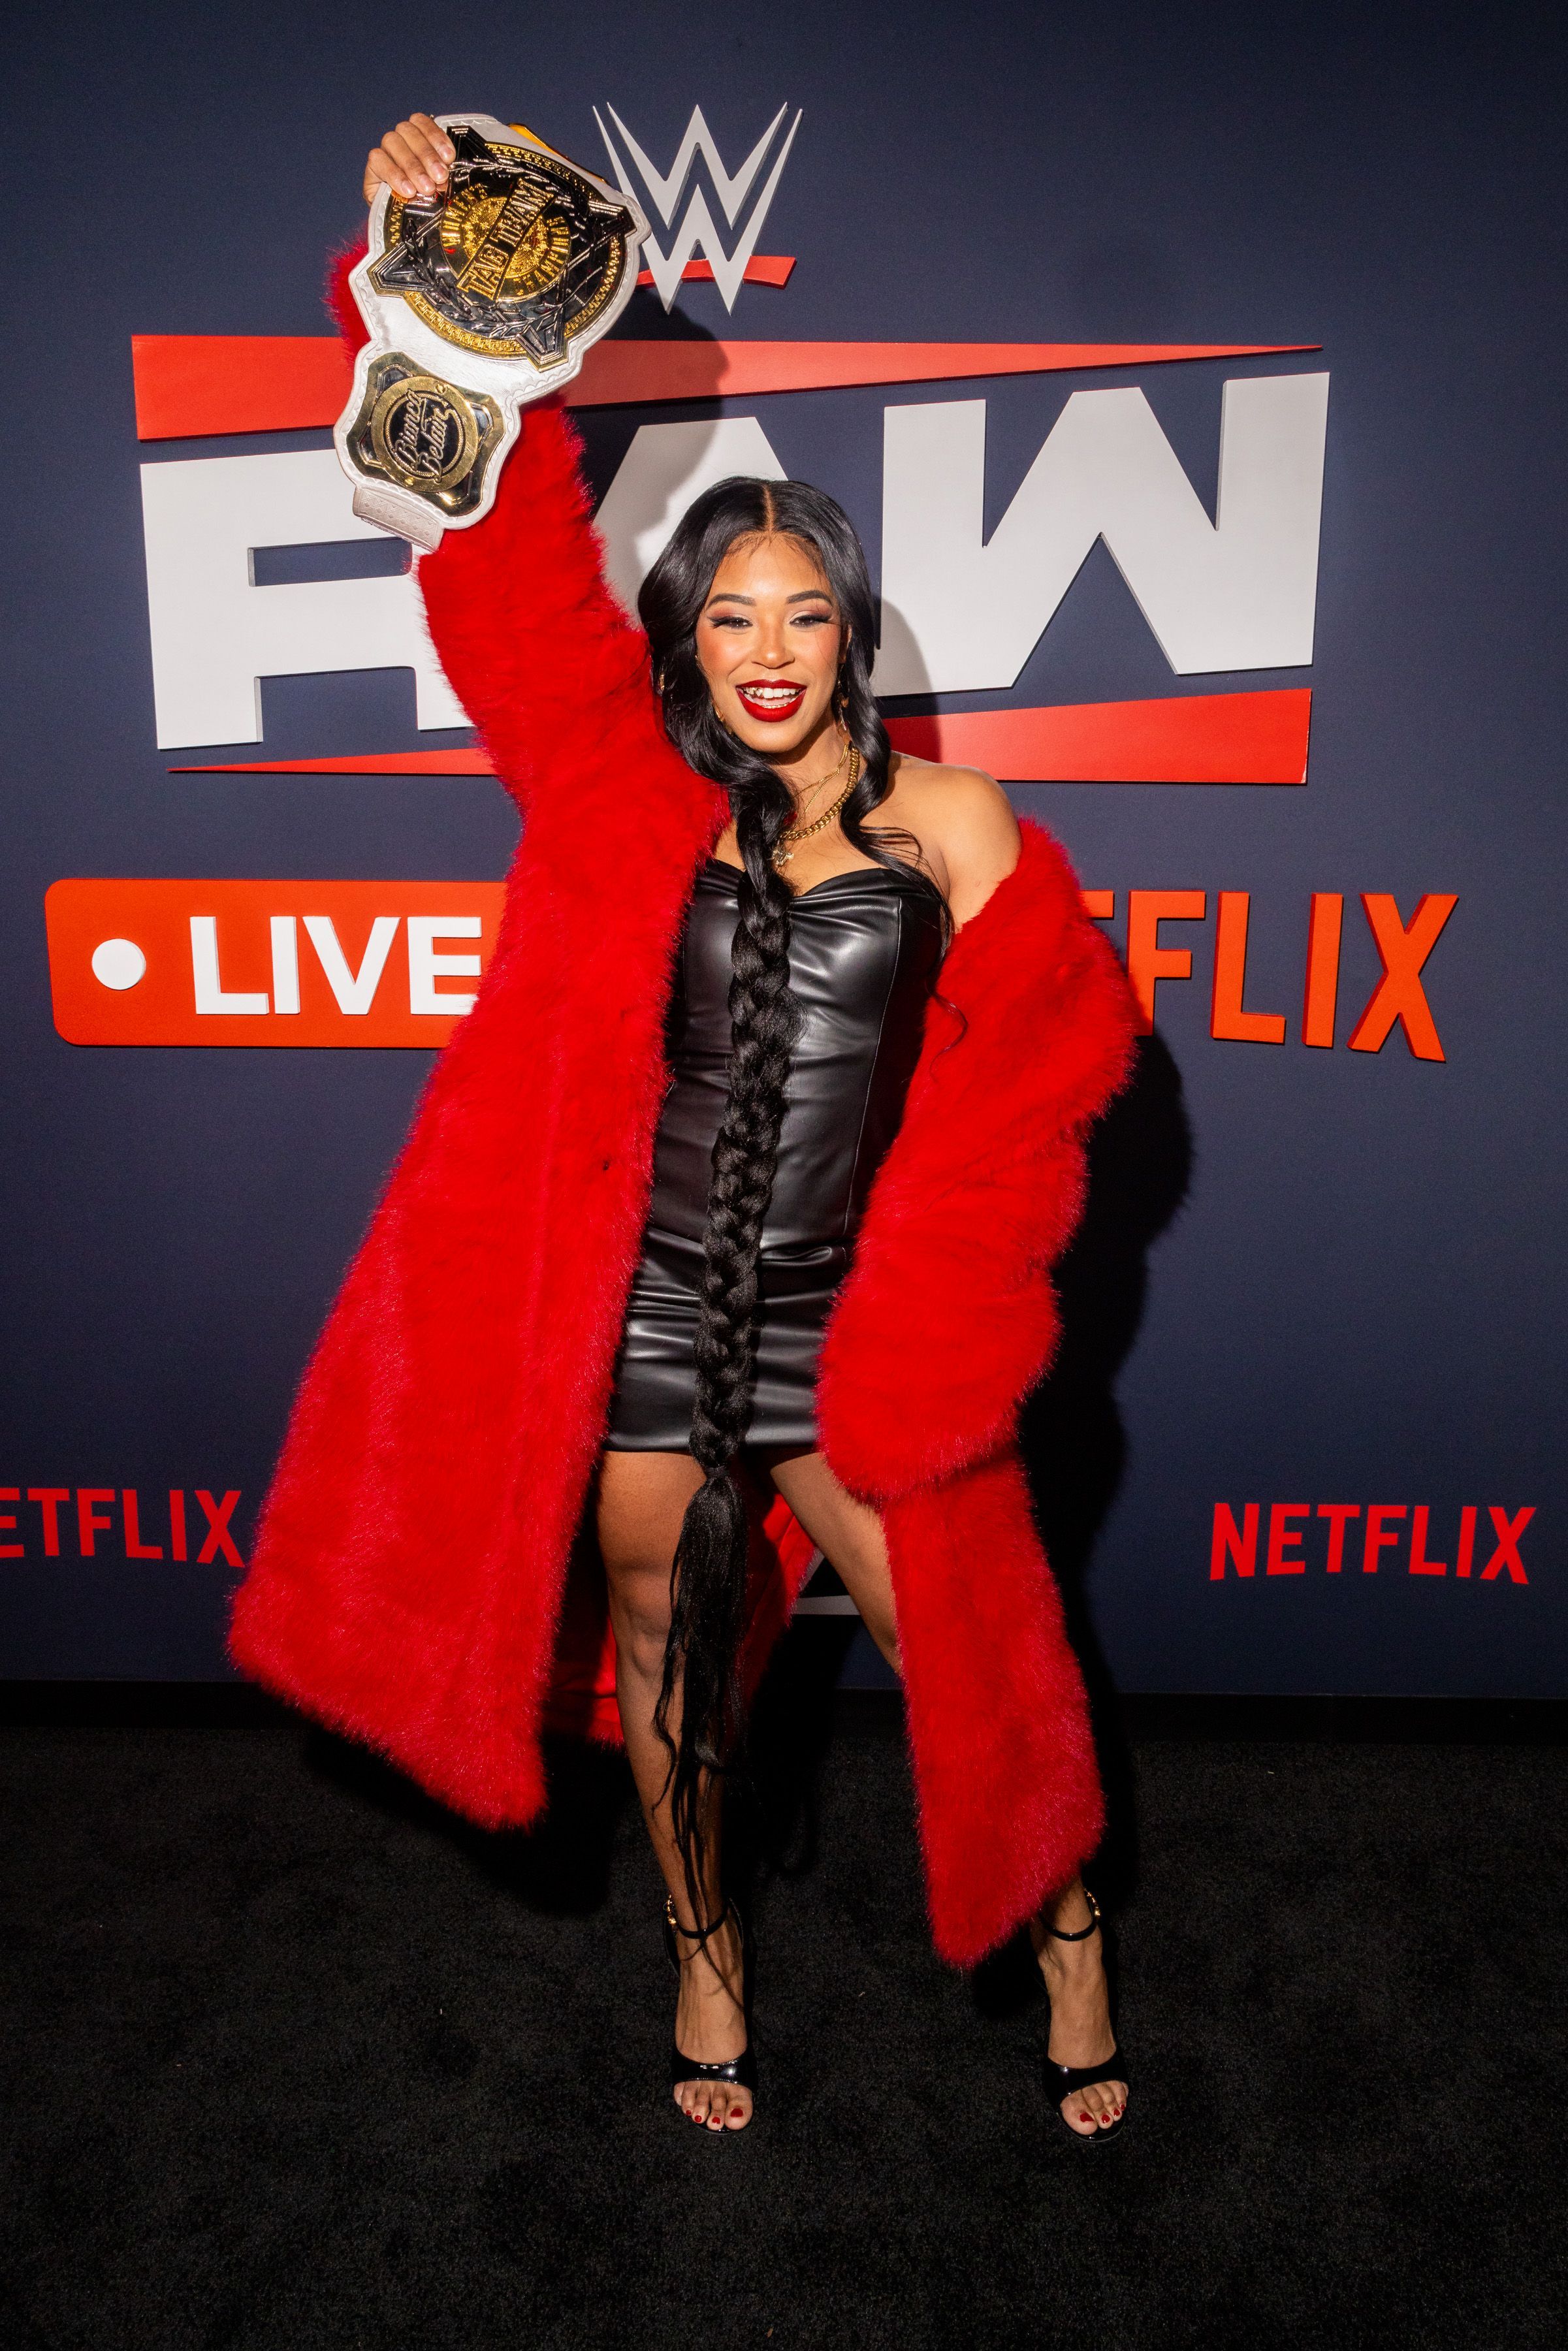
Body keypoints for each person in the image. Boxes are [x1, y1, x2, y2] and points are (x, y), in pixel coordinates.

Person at [231, 114, 1137, 2140]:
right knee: (658, 1645)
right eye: (728, 618)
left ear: (852, 635)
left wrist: (943, 1317)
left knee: (967, 1653)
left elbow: (1036, 1096)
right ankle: (705, 1953)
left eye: (801, 616)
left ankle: (1070, 1932)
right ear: (686, 640)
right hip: (644, 1320)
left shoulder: (958, 826)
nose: (766, 654)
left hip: (854, 1334)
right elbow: (495, 565)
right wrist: (436, 265)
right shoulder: (610, 790)